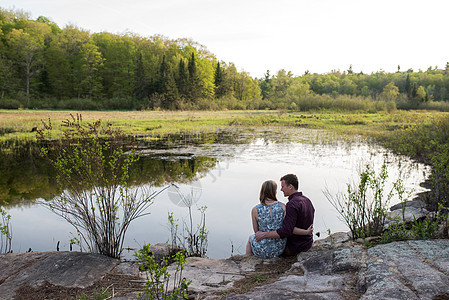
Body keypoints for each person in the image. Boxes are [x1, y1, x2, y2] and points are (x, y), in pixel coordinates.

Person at [255, 174, 315, 256]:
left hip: (295, 247)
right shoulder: (307, 200)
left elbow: (286, 231)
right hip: (308, 243)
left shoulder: (291, 205)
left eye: (283, 186)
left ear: (290, 186)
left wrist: (264, 234)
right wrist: (306, 232)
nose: (281, 189)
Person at [246, 180, 287, 258]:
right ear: (274, 191)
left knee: (251, 238)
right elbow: (285, 228)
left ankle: (248, 259)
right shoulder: (283, 206)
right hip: (279, 248)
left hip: (263, 250)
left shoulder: (255, 209)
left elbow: (256, 232)